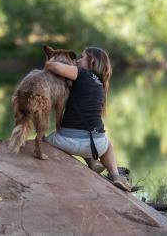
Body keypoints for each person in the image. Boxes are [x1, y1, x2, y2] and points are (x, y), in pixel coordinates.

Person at [43, 47, 131, 192]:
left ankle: (91, 159)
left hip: (67, 141)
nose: (77, 60)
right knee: (108, 144)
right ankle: (115, 175)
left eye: (81, 57)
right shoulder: (101, 85)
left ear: (92, 61)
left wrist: (49, 61)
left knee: (41, 142)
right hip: (97, 144)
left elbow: (55, 67)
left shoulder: (81, 73)